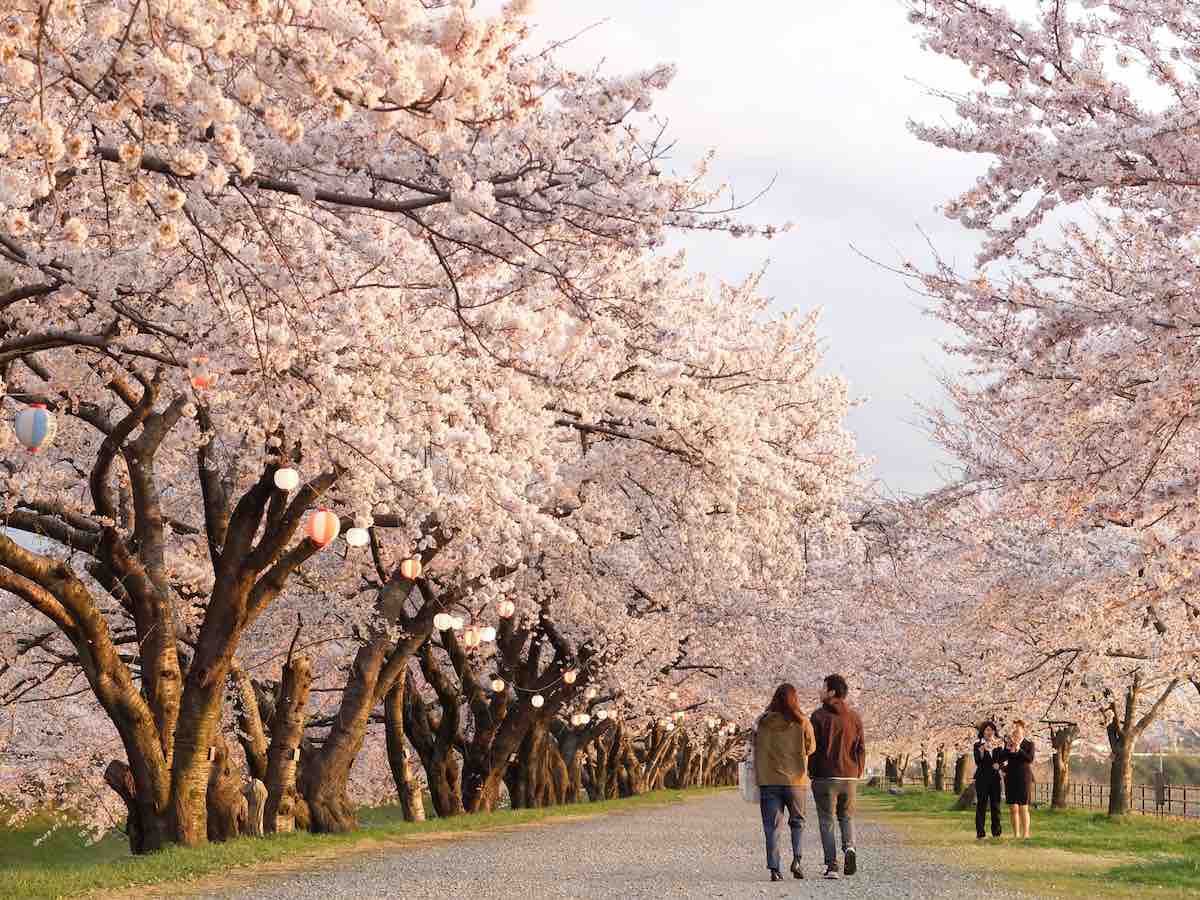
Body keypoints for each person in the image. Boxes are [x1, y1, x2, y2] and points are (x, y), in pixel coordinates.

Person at [753, 683, 816, 882]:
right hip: (795, 781)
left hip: (769, 780)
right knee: (798, 822)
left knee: (772, 827)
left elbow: (753, 743)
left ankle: (774, 869)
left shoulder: (762, 722)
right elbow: (811, 747)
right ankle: (797, 860)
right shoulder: (802, 721)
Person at [809, 673, 866, 880]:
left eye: (823, 688)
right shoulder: (854, 717)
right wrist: (858, 770)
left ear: (831, 692)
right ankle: (849, 848)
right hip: (849, 776)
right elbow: (861, 748)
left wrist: (812, 772)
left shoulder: (818, 716)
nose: (820, 691)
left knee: (827, 820)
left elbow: (812, 749)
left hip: (825, 776)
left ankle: (832, 866)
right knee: (847, 817)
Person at [998, 719, 1035, 838]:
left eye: (1018, 732)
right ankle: (1016, 834)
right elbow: (1000, 760)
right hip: (1010, 777)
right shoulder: (1008, 745)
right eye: (1014, 733)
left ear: (1023, 733)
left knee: (1023, 807)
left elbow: (1030, 759)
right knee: (1013, 807)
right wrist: (1007, 750)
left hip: (1024, 777)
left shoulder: (1029, 744)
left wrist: (1019, 749)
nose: (1016, 735)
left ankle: (1026, 834)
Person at [973, 721, 1004, 839]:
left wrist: (999, 766)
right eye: (987, 730)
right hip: (982, 778)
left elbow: (1002, 760)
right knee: (981, 805)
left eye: (991, 729)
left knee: (996, 805)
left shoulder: (998, 744)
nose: (989, 732)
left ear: (994, 731)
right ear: (983, 732)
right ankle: (980, 833)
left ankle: (996, 833)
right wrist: (981, 751)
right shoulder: (977, 745)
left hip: (995, 778)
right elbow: (977, 761)